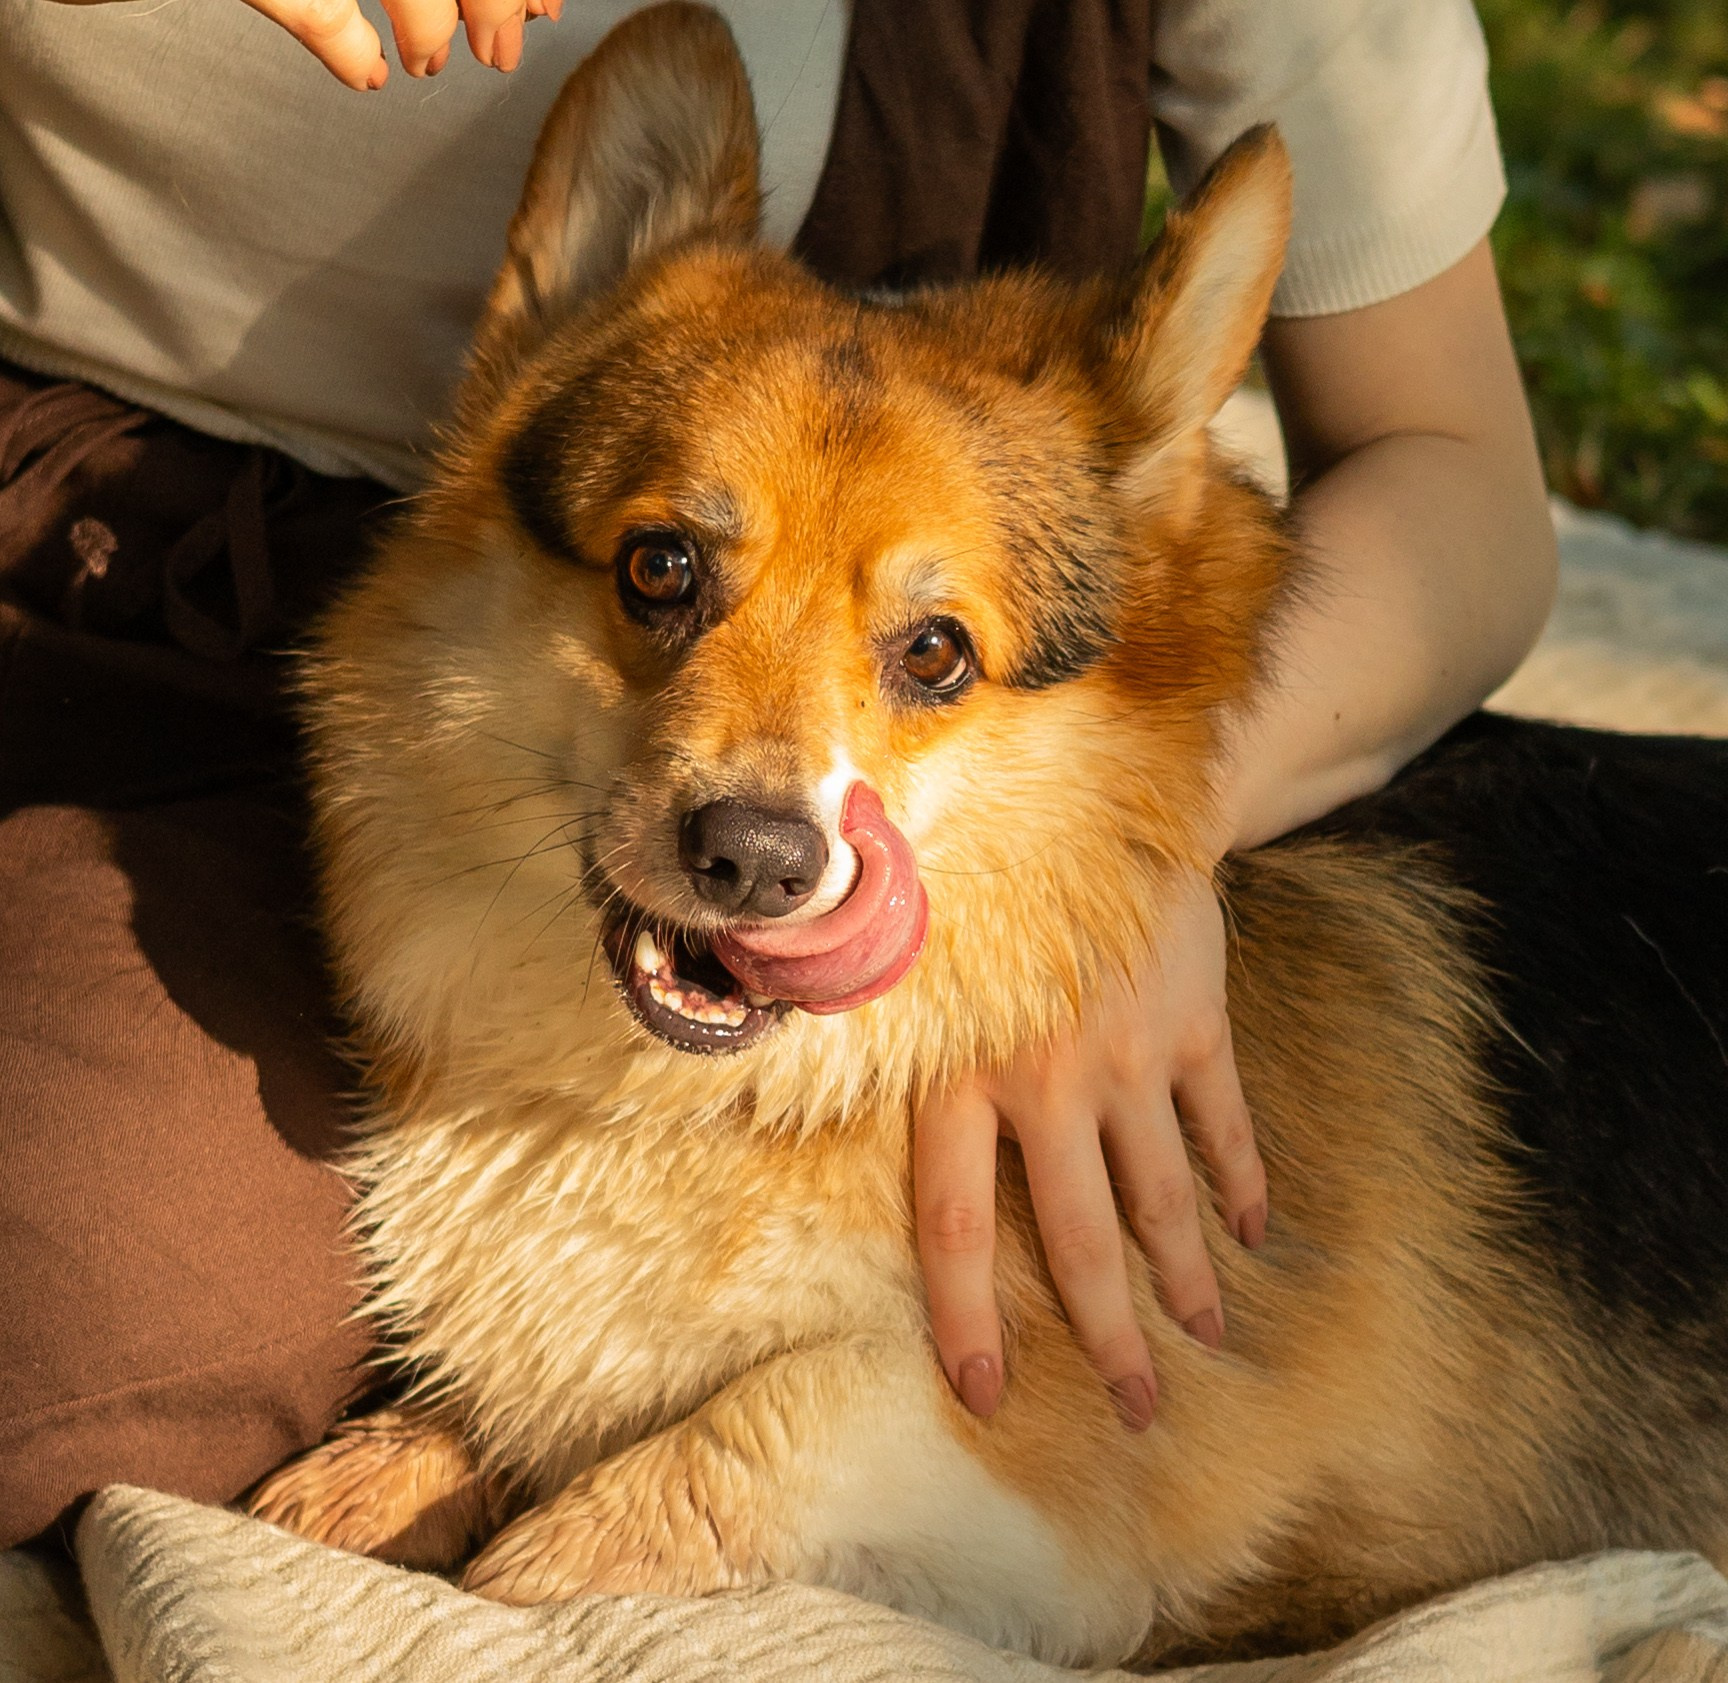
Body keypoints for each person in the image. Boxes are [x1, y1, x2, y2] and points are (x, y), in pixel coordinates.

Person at [0, 0, 1556, 1542]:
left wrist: (1150, 846)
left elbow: (1457, 473)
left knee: (100, 1275)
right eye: (676, 573)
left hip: (474, 707)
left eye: (927, 657)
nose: (760, 817)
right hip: (115, 581)